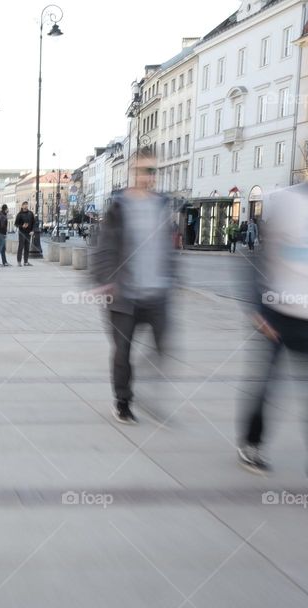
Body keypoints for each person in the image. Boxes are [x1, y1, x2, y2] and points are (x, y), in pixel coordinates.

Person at [237, 132, 308, 518]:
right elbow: (256, 259)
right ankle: (251, 442)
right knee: (267, 387)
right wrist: (257, 309)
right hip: (280, 314)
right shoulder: (285, 201)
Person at [91, 148, 175, 425]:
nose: (147, 177)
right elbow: (104, 247)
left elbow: (168, 247)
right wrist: (105, 281)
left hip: (156, 293)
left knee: (164, 346)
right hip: (124, 294)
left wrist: (173, 278)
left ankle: (146, 389)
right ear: (132, 171)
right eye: (142, 170)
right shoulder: (119, 206)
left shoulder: (162, 204)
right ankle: (123, 400)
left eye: (152, 171)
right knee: (123, 352)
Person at [14, 201, 36, 267]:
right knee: (21, 247)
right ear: (22, 206)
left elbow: (34, 223)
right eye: (24, 205)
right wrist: (22, 226)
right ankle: (19, 262)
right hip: (22, 233)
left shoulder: (31, 213)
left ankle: (26, 262)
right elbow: (16, 224)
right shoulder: (19, 214)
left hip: (29, 233)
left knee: (27, 247)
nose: (26, 206)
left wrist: (33, 231)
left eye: (27, 204)